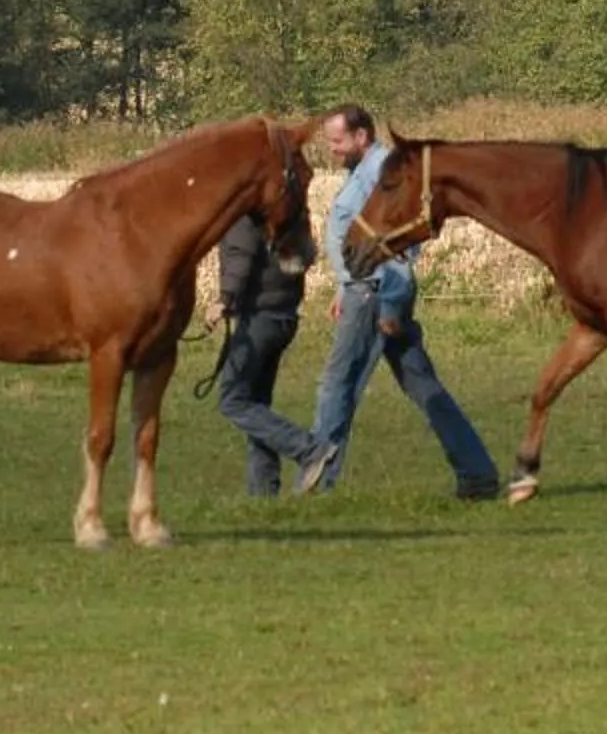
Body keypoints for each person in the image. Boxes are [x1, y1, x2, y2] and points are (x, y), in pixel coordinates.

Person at [302, 103, 500, 499]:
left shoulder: (381, 172)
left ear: (362, 136)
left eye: (338, 141)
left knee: (337, 385)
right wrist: (343, 287)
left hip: (375, 294)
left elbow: (402, 248)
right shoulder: (362, 171)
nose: (333, 150)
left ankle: (318, 485)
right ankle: (478, 474)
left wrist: (389, 304)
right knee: (422, 384)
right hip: (365, 291)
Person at [209, 210, 335, 497]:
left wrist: (224, 300)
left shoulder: (244, 212)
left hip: (259, 318)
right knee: (257, 403)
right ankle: (263, 491)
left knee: (232, 400)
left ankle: (310, 450)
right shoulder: (283, 209)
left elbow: (241, 255)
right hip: (283, 314)